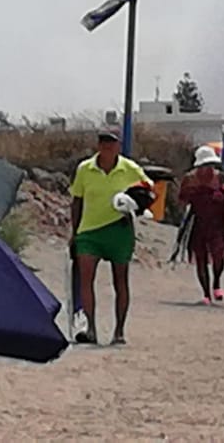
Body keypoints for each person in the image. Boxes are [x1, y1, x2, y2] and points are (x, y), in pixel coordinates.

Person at [69, 131, 151, 345]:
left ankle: (119, 330)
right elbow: (77, 200)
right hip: (89, 231)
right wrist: (74, 232)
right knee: (86, 280)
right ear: (98, 145)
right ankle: (91, 329)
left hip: (119, 230)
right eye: (103, 142)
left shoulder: (129, 168)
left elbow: (150, 190)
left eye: (111, 143)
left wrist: (135, 204)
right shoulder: (85, 169)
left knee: (120, 281)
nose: (106, 147)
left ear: (118, 146)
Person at [178, 146, 224, 305]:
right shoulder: (189, 179)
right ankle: (206, 294)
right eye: (204, 165)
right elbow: (181, 201)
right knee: (200, 257)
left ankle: (216, 282)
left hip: (217, 222)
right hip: (198, 222)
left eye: (210, 164)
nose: (207, 168)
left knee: (219, 256)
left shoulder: (221, 178)